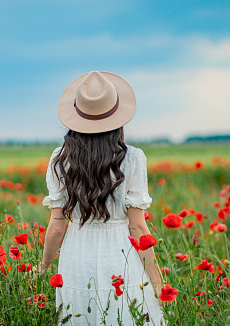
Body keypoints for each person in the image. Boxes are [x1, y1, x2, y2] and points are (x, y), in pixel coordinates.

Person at [36, 71, 165, 325]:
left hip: (76, 254)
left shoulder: (60, 159)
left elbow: (56, 226)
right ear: (118, 118)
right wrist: (157, 281)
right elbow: (137, 226)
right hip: (120, 252)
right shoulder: (133, 158)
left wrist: (43, 268)